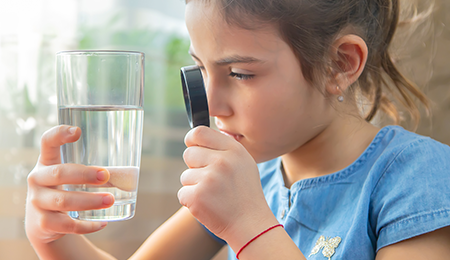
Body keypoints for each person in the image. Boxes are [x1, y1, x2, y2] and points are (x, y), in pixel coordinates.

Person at [25, 0, 450, 259]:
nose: (209, 103)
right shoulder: (253, 182)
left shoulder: (417, 179)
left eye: (241, 74)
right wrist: (52, 238)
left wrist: (250, 225)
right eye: (199, 70)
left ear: (339, 64)